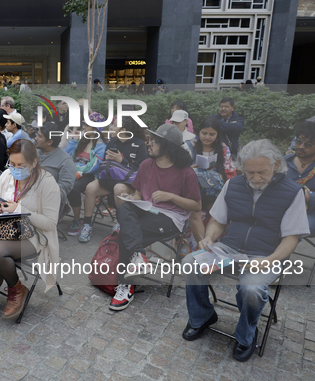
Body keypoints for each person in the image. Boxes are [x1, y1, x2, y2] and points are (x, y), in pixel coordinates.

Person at [181, 139, 308, 362]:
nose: (256, 178)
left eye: (262, 172)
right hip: (229, 248)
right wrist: (210, 237)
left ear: (276, 165)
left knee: (251, 288)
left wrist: (269, 260)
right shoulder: (234, 184)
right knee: (190, 262)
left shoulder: (292, 192)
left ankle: (246, 333)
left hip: (266, 253)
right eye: (250, 172)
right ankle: (202, 316)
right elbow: (218, 221)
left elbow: (291, 239)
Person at [0, 139, 61, 320]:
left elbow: (50, 224)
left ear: (34, 162)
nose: (15, 168)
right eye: (12, 163)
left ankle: (17, 288)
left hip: (35, 235)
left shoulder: (47, 182)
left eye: (21, 165)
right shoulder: (7, 175)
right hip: (3, 227)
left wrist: (19, 209)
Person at [110, 124, 201, 311]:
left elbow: (196, 206)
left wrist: (171, 197)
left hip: (171, 217)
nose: (148, 143)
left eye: (154, 140)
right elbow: (138, 195)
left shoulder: (186, 172)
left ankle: (125, 285)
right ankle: (138, 257)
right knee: (124, 209)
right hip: (147, 209)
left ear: (167, 146)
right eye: (150, 139)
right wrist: (131, 199)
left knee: (125, 234)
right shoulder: (146, 165)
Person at [76, 117, 148, 242]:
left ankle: (121, 225)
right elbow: (106, 164)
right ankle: (87, 224)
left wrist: (122, 161)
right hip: (109, 179)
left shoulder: (139, 144)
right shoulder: (112, 142)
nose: (111, 127)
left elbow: (140, 171)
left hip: (128, 182)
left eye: (114, 125)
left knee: (118, 188)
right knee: (90, 188)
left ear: (123, 130)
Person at [186, 117, 237, 243]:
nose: (207, 137)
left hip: (214, 192)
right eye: (204, 133)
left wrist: (220, 176)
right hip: (192, 191)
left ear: (217, 135)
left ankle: (210, 241)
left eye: (212, 134)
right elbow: (176, 171)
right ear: (199, 132)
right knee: (195, 209)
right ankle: (202, 245)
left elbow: (230, 172)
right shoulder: (189, 146)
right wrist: (188, 170)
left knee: (216, 211)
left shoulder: (223, 149)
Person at [66, 113, 107, 241]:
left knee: (73, 187)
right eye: (84, 124)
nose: (83, 127)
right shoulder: (80, 140)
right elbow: (66, 155)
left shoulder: (101, 145)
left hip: (88, 175)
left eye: (86, 125)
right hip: (73, 171)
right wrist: (73, 140)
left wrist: (78, 171)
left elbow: (94, 166)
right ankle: (62, 209)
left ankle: (77, 219)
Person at [285, 120, 315, 236]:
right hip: (283, 209)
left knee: (291, 227)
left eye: (308, 144)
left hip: (313, 214)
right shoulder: (284, 162)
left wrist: (303, 195)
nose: (301, 146)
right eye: (299, 141)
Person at [35, 122, 77, 211]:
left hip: (46, 204)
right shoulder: (35, 152)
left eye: (39, 136)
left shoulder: (65, 161)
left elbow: (63, 190)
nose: (36, 138)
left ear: (49, 142)